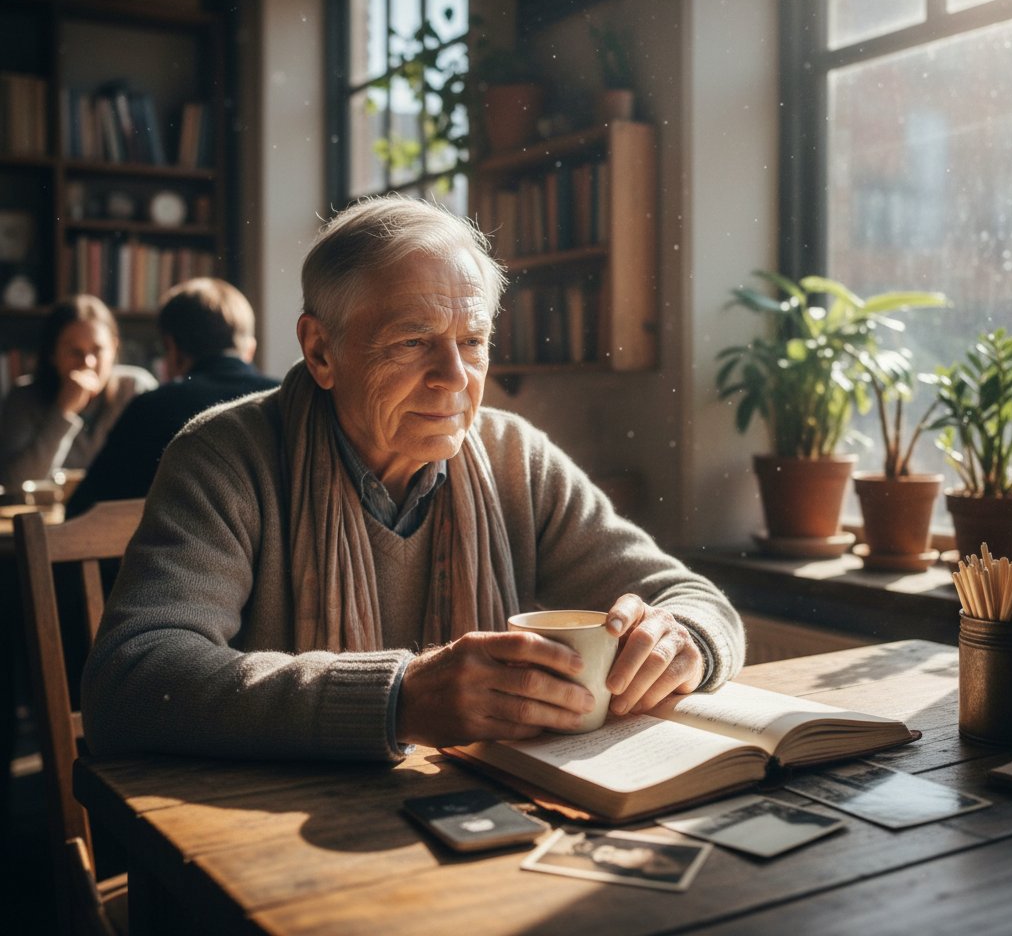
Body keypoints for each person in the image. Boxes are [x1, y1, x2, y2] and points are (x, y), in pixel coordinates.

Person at [82, 195, 744, 762]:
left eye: (473, 341)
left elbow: (691, 598)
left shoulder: (514, 457)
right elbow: (131, 677)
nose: (455, 378)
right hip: (273, 838)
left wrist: (683, 639)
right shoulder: (226, 457)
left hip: (484, 814)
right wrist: (399, 698)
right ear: (320, 350)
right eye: (412, 341)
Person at [65, 277, 279, 516]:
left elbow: (81, 511)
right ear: (249, 349)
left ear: (172, 348)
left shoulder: (151, 409)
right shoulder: (286, 400)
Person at [0, 294, 157, 491]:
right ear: (52, 354)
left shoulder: (136, 389)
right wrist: (63, 411)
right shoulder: (23, 399)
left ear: (114, 348)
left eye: (97, 350)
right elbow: (13, 484)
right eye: (75, 352)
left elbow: (156, 470)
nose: (88, 363)